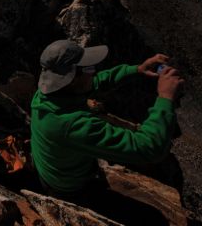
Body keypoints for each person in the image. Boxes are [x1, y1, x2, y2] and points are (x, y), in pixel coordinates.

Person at [30, 40, 182, 222]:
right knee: (153, 219)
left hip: (54, 176)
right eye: (88, 69)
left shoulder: (48, 94)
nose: (93, 71)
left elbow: (94, 83)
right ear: (71, 78)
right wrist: (165, 98)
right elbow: (148, 148)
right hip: (71, 190)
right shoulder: (72, 124)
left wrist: (136, 69)